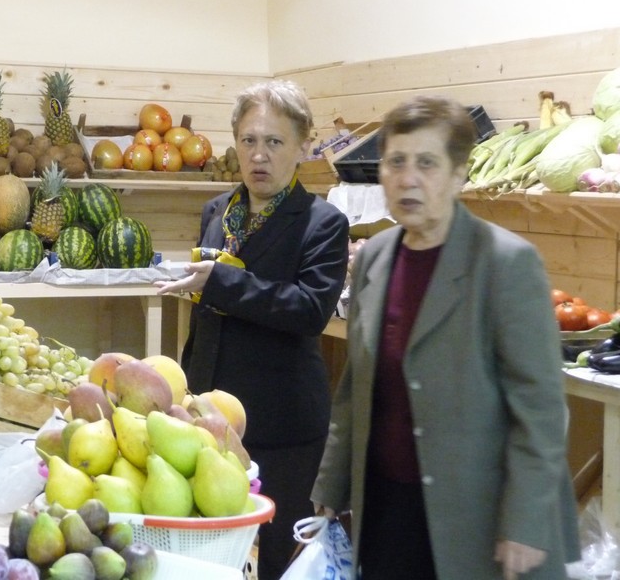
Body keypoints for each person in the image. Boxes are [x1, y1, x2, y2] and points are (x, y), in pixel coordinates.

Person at [310, 95, 581, 580]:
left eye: (427, 163)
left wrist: (525, 521)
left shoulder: (505, 263)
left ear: (459, 175)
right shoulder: (375, 258)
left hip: (481, 518)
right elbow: (358, 386)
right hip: (388, 509)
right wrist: (332, 484)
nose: (407, 178)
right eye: (396, 161)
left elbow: (540, 408)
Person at [155, 79, 350, 579]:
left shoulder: (323, 223)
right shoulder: (217, 212)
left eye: (274, 142)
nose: (258, 155)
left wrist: (220, 283)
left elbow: (309, 309)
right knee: (212, 555)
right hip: (209, 419)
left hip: (282, 425)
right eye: (248, 140)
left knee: (273, 560)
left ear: (303, 146)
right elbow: (209, 312)